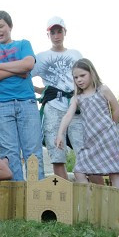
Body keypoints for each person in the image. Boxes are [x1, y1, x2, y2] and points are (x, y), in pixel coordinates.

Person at [0, 10, 43, 181]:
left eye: (1, 26)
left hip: (27, 102)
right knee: (9, 154)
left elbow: (28, 64)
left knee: (33, 153)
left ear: (10, 26)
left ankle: (36, 199)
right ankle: (17, 199)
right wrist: (18, 71)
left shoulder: (23, 44)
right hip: (1, 106)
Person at [55, 59, 119, 187]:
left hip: (109, 139)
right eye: (76, 77)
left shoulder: (102, 90)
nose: (79, 80)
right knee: (79, 171)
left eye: (82, 75)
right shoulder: (77, 98)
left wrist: (112, 127)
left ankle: (117, 206)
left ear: (92, 73)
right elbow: (68, 116)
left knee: (115, 172)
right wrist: (60, 133)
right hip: (91, 141)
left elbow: (117, 109)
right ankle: (90, 203)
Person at [31, 16, 83, 181]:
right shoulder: (40, 57)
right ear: (48, 35)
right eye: (52, 32)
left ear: (64, 32)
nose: (56, 35)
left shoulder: (75, 54)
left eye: (59, 31)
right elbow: (25, 78)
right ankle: (65, 195)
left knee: (83, 150)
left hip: (75, 106)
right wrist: (44, 91)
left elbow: (86, 77)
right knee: (57, 154)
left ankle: (88, 193)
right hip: (53, 108)